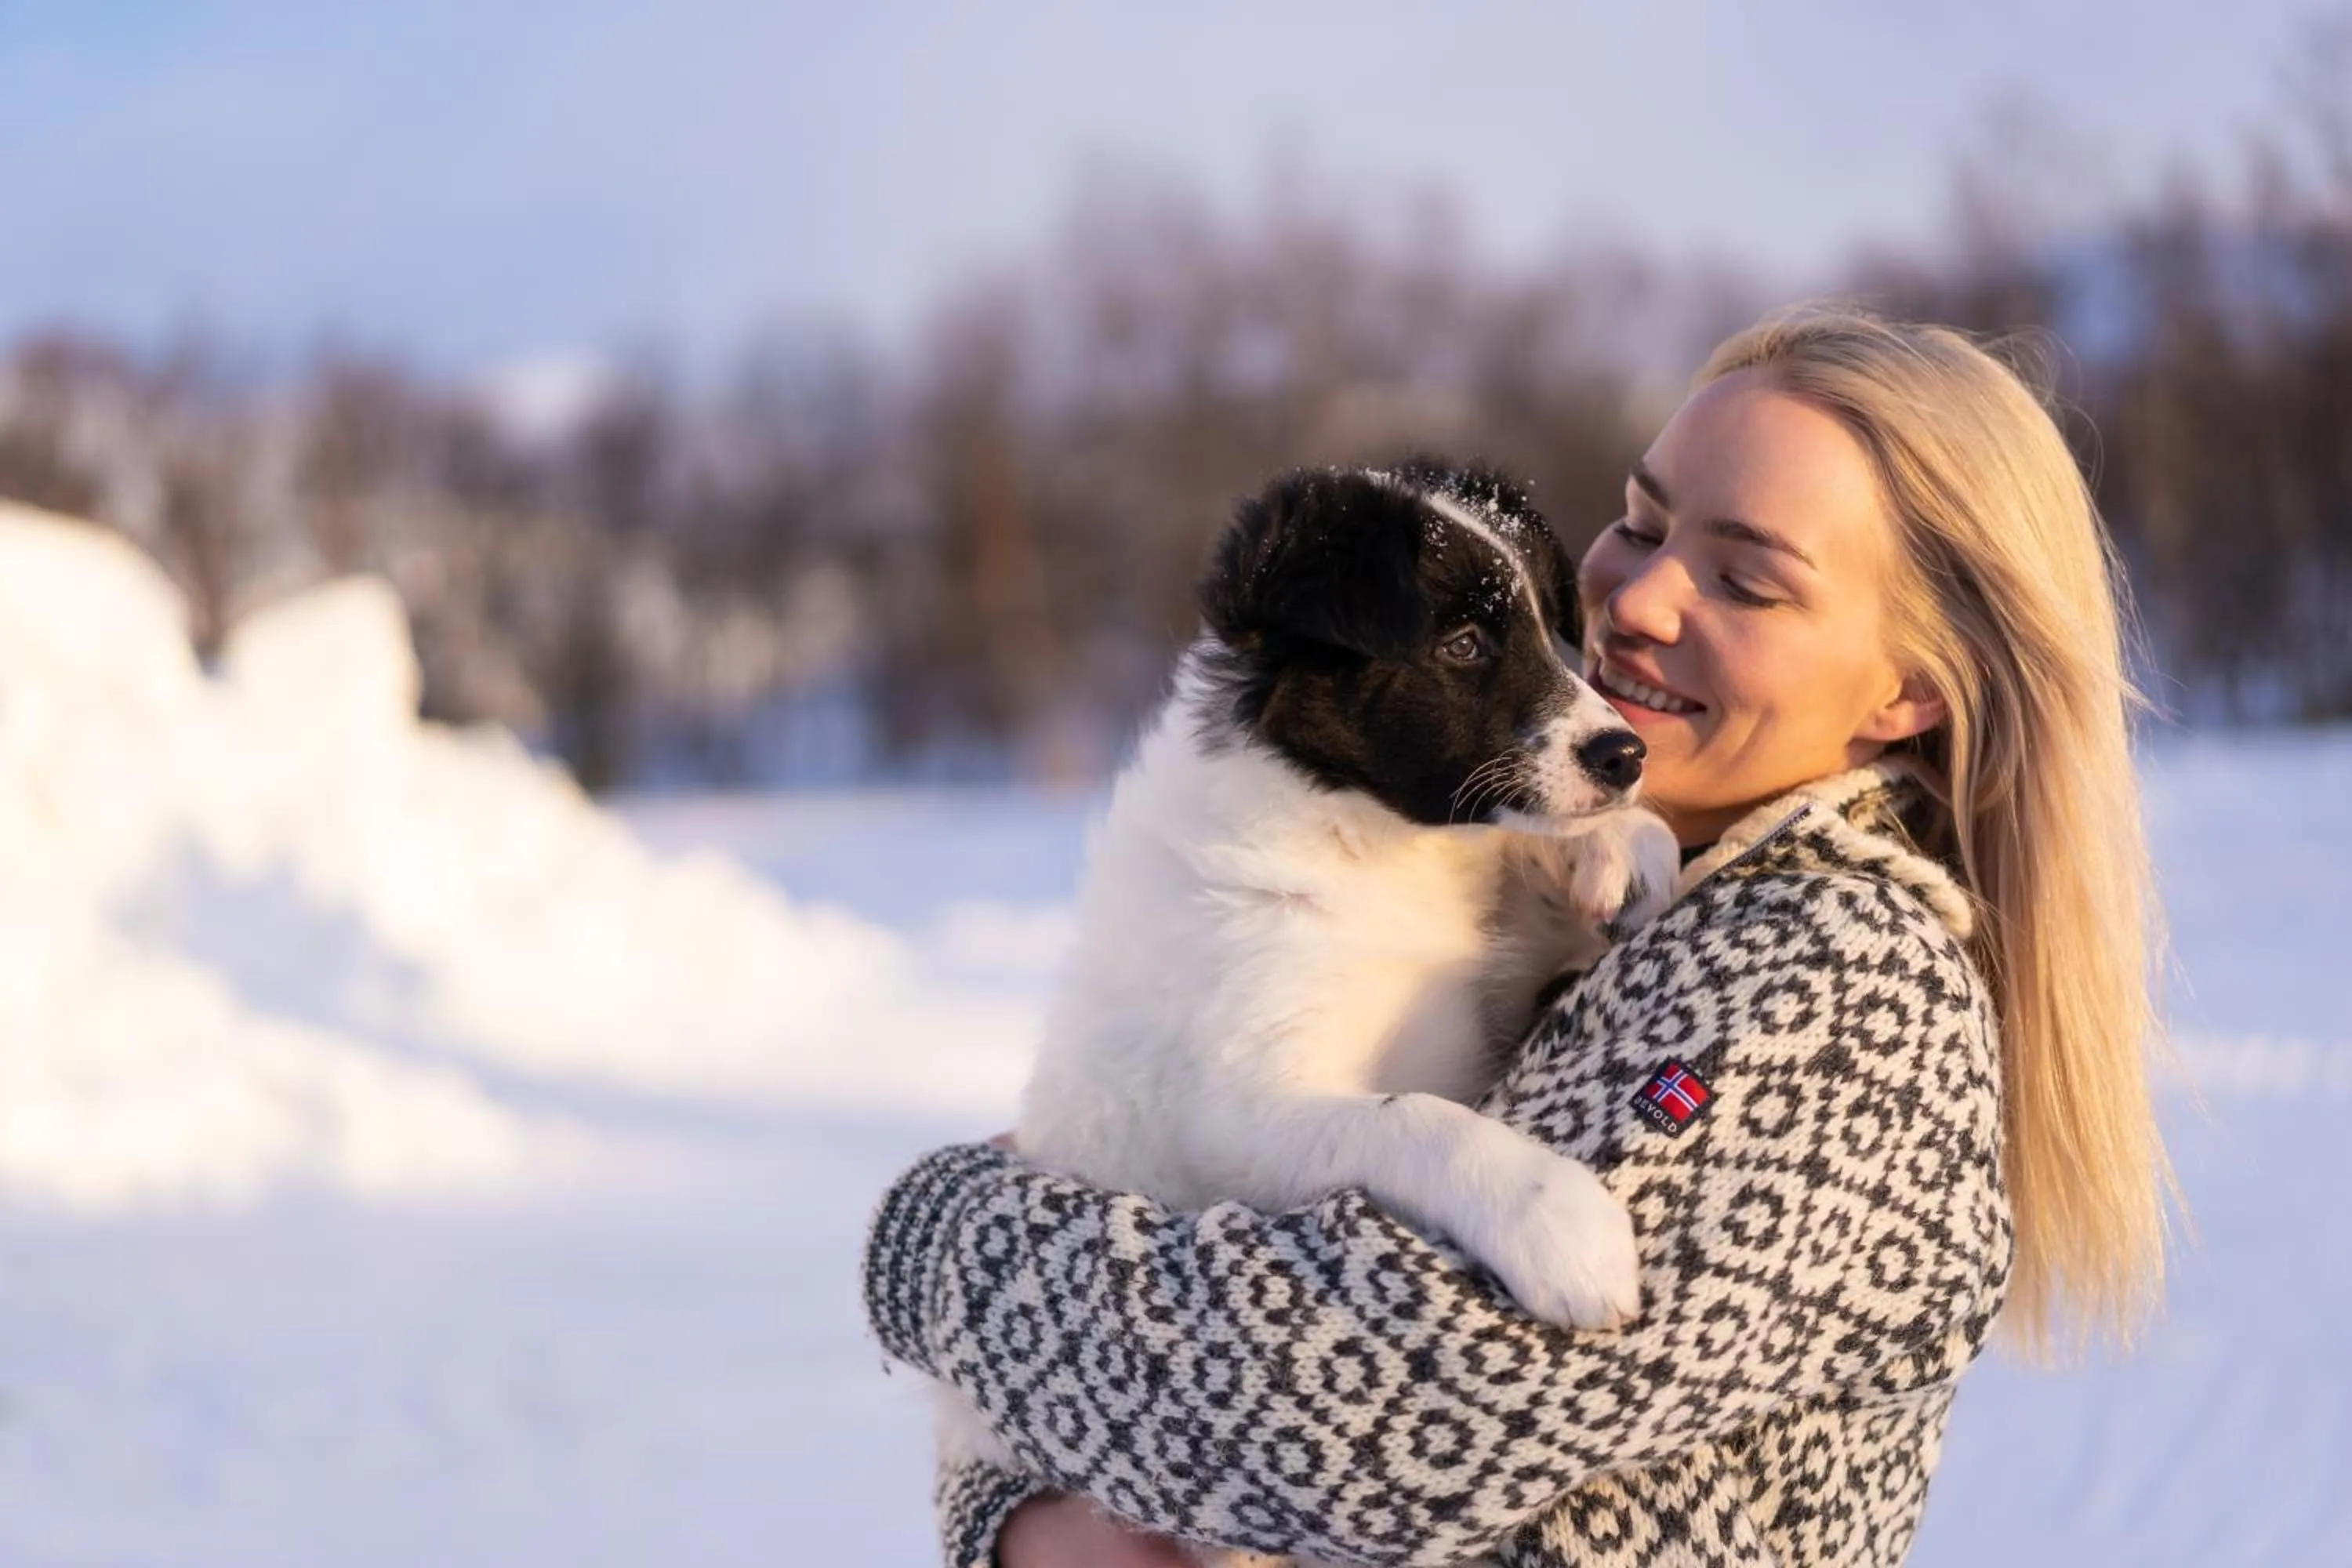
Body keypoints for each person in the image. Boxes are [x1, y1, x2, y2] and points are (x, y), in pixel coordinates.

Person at [860, 307, 2170, 1567]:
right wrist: (1012, 1508)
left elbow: (1380, 1410)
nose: (1639, 601)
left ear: (1909, 693)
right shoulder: (1601, 872)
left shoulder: (1835, 992)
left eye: (1747, 580)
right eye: (1641, 521)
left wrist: (943, 1243)